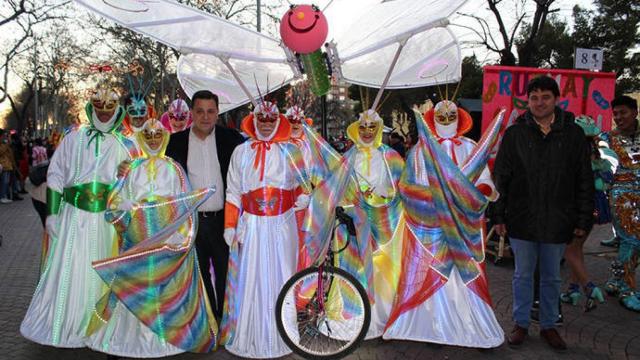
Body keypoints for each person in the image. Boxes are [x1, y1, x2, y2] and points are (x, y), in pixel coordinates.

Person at [84, 119, 217, 357]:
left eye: (158, 134)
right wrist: (123, 205)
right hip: (138, 239)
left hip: (166, 239)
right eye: (149, 134)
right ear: (142, 138)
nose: (154, 138)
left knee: (165, 286)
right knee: (138, 284)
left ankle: (165, 338)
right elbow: (113, 202)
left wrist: (180, 234)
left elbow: (183, 204)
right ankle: (131, 337)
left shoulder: (174, 168)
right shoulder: (131, 167)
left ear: (164, 137)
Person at [20, 87, 138, 348]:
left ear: (117, 111)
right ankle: (68, 321)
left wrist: (126, 184)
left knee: (102, 271)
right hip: (74, 219)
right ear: (92, 109)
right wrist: (52, 214)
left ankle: (99, 323)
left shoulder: (126, 144)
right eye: (100, 110)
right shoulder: (73, 140)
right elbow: (57, 175)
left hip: (106, 222)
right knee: (71, 270)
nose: (104, 116)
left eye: (109, 111)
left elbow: (135, 183)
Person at [383, 107, 504, 348]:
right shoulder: (420, 150)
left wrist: (475, 194)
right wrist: (431, 198)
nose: (446, 122)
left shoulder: (470, 146)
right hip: (433, 223)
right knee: (435, 269)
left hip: (464, 225)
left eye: (451, 117)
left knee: (466, 273)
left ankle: (475, 326)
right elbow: (408, 184)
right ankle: (435, 325)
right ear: (432, 120)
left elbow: (485, 181)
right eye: (441, 117)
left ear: (459, 119)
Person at [493, 76, 594, 350]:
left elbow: (584, 179)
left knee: (551, 277)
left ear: (556, 99)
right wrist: (499, 216)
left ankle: (550, 326)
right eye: (534, 97)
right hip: (521, 218)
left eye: (545, 97)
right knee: (522, 275)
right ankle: (521, 324)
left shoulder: (573, 135)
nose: (539, 102)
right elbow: (501, 178)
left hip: (559, 220)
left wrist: (583, 219)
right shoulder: (515, 134)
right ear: (528, 101)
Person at [301, 109, 405, 340]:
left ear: (379, 129)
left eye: (372, 127)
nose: (367, 132)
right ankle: (352, 319)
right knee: (351, 270)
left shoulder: (392, 158)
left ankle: (383, 318)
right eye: (363, 127)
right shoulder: (347, 157)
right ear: (356, 129)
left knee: (382, 271)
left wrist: (382, 198)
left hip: (386, 224)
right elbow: (335, 185)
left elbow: (403, 188)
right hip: (353, 225)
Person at [220, 100, 311, 358]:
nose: (267, 123)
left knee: (283, 275)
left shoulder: (291, 150)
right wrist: (229, 225)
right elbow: (233, 192)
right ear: (254, 119)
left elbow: (303, 182)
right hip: (252, 224)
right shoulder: (241, 152)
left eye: (272, 119)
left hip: (282, 225)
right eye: (262, 118)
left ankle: (284, 335)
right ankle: (249, 335)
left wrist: (302, 195)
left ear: (278, 120)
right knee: (251, 277)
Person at [165, 90, 244, 319]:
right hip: (193, 221)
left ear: (217, 113)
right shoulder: (174, 142)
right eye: (200, 111)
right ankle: (209, 322)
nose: (205, 117)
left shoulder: (233, 140)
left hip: (223, 221)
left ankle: (225, 320)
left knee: (224, 274)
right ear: (192, 113)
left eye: (211, 111)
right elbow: (157, 169)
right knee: (199, 276)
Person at [560, 115, 615, 310]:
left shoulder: (574, 157)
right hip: (593, 212)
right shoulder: (595, 155)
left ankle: (590, 288)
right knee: (577, 250)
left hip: (578, 210)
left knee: (568, 250)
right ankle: (573, 290)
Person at [601, 95, 640, 312]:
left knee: (634, 243)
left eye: (622, 112)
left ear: (634, 112)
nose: (618, 117)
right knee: (632, 241)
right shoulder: (607, 138)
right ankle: (627, 290)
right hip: (622, 198)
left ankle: (617, 279)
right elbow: (599, 166)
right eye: (615, 114)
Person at [0, 129, 16, 204]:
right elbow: (1, 151)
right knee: (4, 181)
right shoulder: (2, 144)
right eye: (4, 135)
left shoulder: (5, 143)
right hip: (3, 164)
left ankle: (5, 196)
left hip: (8, 164)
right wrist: (5, 144)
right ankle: (2, 196)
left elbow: (10, 153)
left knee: (6, 182)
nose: (5, 137)